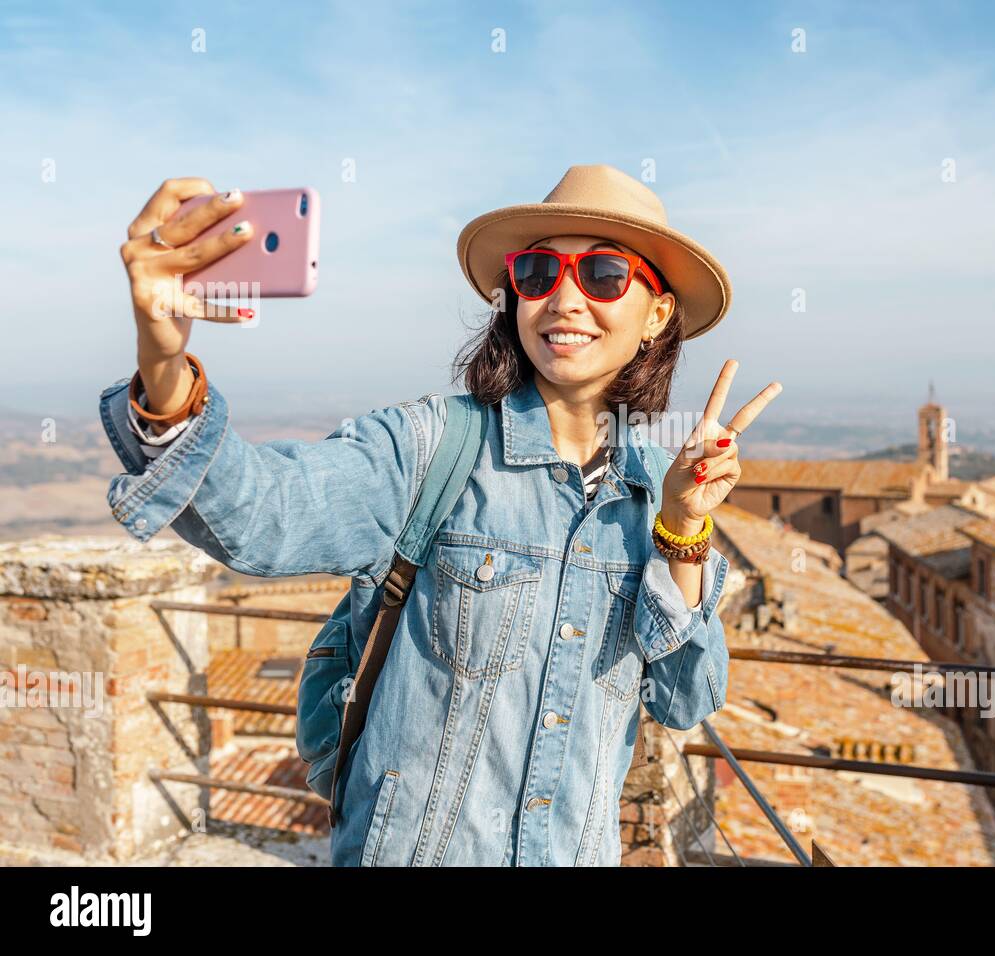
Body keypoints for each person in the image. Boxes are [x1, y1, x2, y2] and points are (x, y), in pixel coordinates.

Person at [102, 164, 781, 865]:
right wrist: (163, 359)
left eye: (604, 274)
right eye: (539, 272)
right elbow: (263, 515)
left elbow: (685, 699)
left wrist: (684, 529)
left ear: (658, 312)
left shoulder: (652, 495)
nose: (566, 299)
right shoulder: (431, 448)